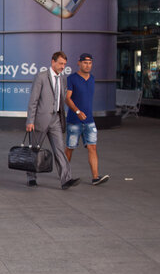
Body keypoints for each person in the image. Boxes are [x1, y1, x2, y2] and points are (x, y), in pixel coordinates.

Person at [26, 51, 80, 189]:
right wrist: (30, 121)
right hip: (40, 119)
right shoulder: (41, 77)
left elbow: (62, 100)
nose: (63, 66)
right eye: (61, 63)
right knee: (35, 149)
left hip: (56, 119)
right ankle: (31, 177)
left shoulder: (62, 79)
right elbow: (34, 100)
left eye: (64, 64)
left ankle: (66, 180)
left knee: (60, 149)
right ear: (53, 62)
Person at [65, 53, 110, 186]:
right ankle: (64, 174)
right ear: (79, 63)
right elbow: (67, 98)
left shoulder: (92, 79)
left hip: (89, 121)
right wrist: (77, 111)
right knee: (70, 148)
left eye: (90, 63)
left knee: (92, 147)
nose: (88, 65)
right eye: (85, 63)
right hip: (74, 120)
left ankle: (95, 177)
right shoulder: (72, 78)